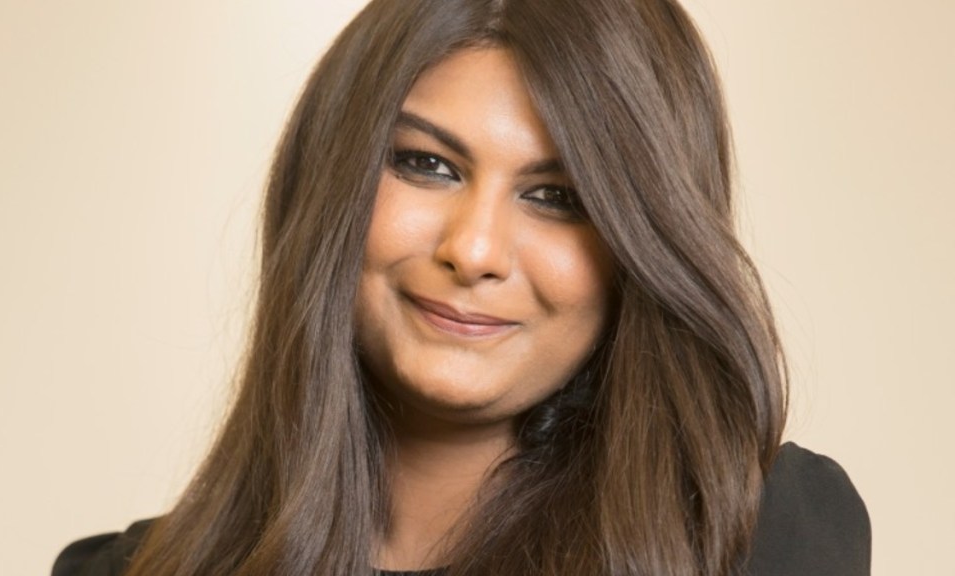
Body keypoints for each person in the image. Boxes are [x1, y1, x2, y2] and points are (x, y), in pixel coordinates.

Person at [53, 0, 871, 574]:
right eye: (426, 164)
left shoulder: (752, 536)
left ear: (642, 245)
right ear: (332, 185)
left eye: (558, 198)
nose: (473, 250)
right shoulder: (124, 570)